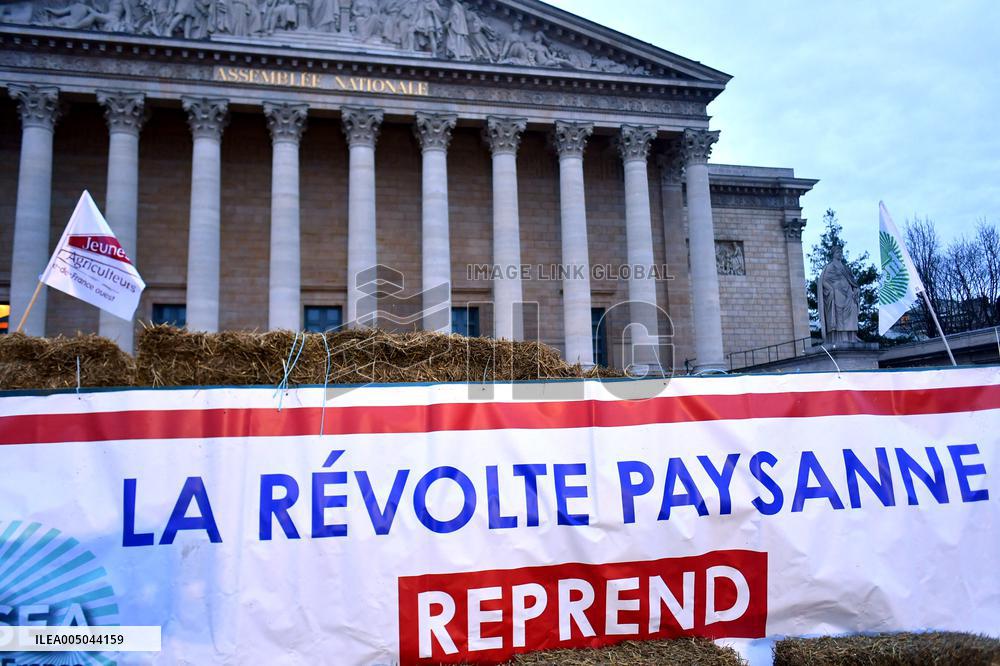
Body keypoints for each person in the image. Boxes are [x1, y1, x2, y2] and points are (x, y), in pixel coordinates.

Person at [819, 244, 861, 343]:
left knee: (853, 311)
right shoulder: (829, 267)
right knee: (839, 314)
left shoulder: (845, 268)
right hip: (838, 293)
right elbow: (824, 281)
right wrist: (831, 290)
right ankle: (841, 337)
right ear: (833, 254)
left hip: (849, 293)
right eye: (838, 252)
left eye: (841, 252)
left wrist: (856, 289)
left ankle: (852, 336)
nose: (840, 254)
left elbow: (852, 281)